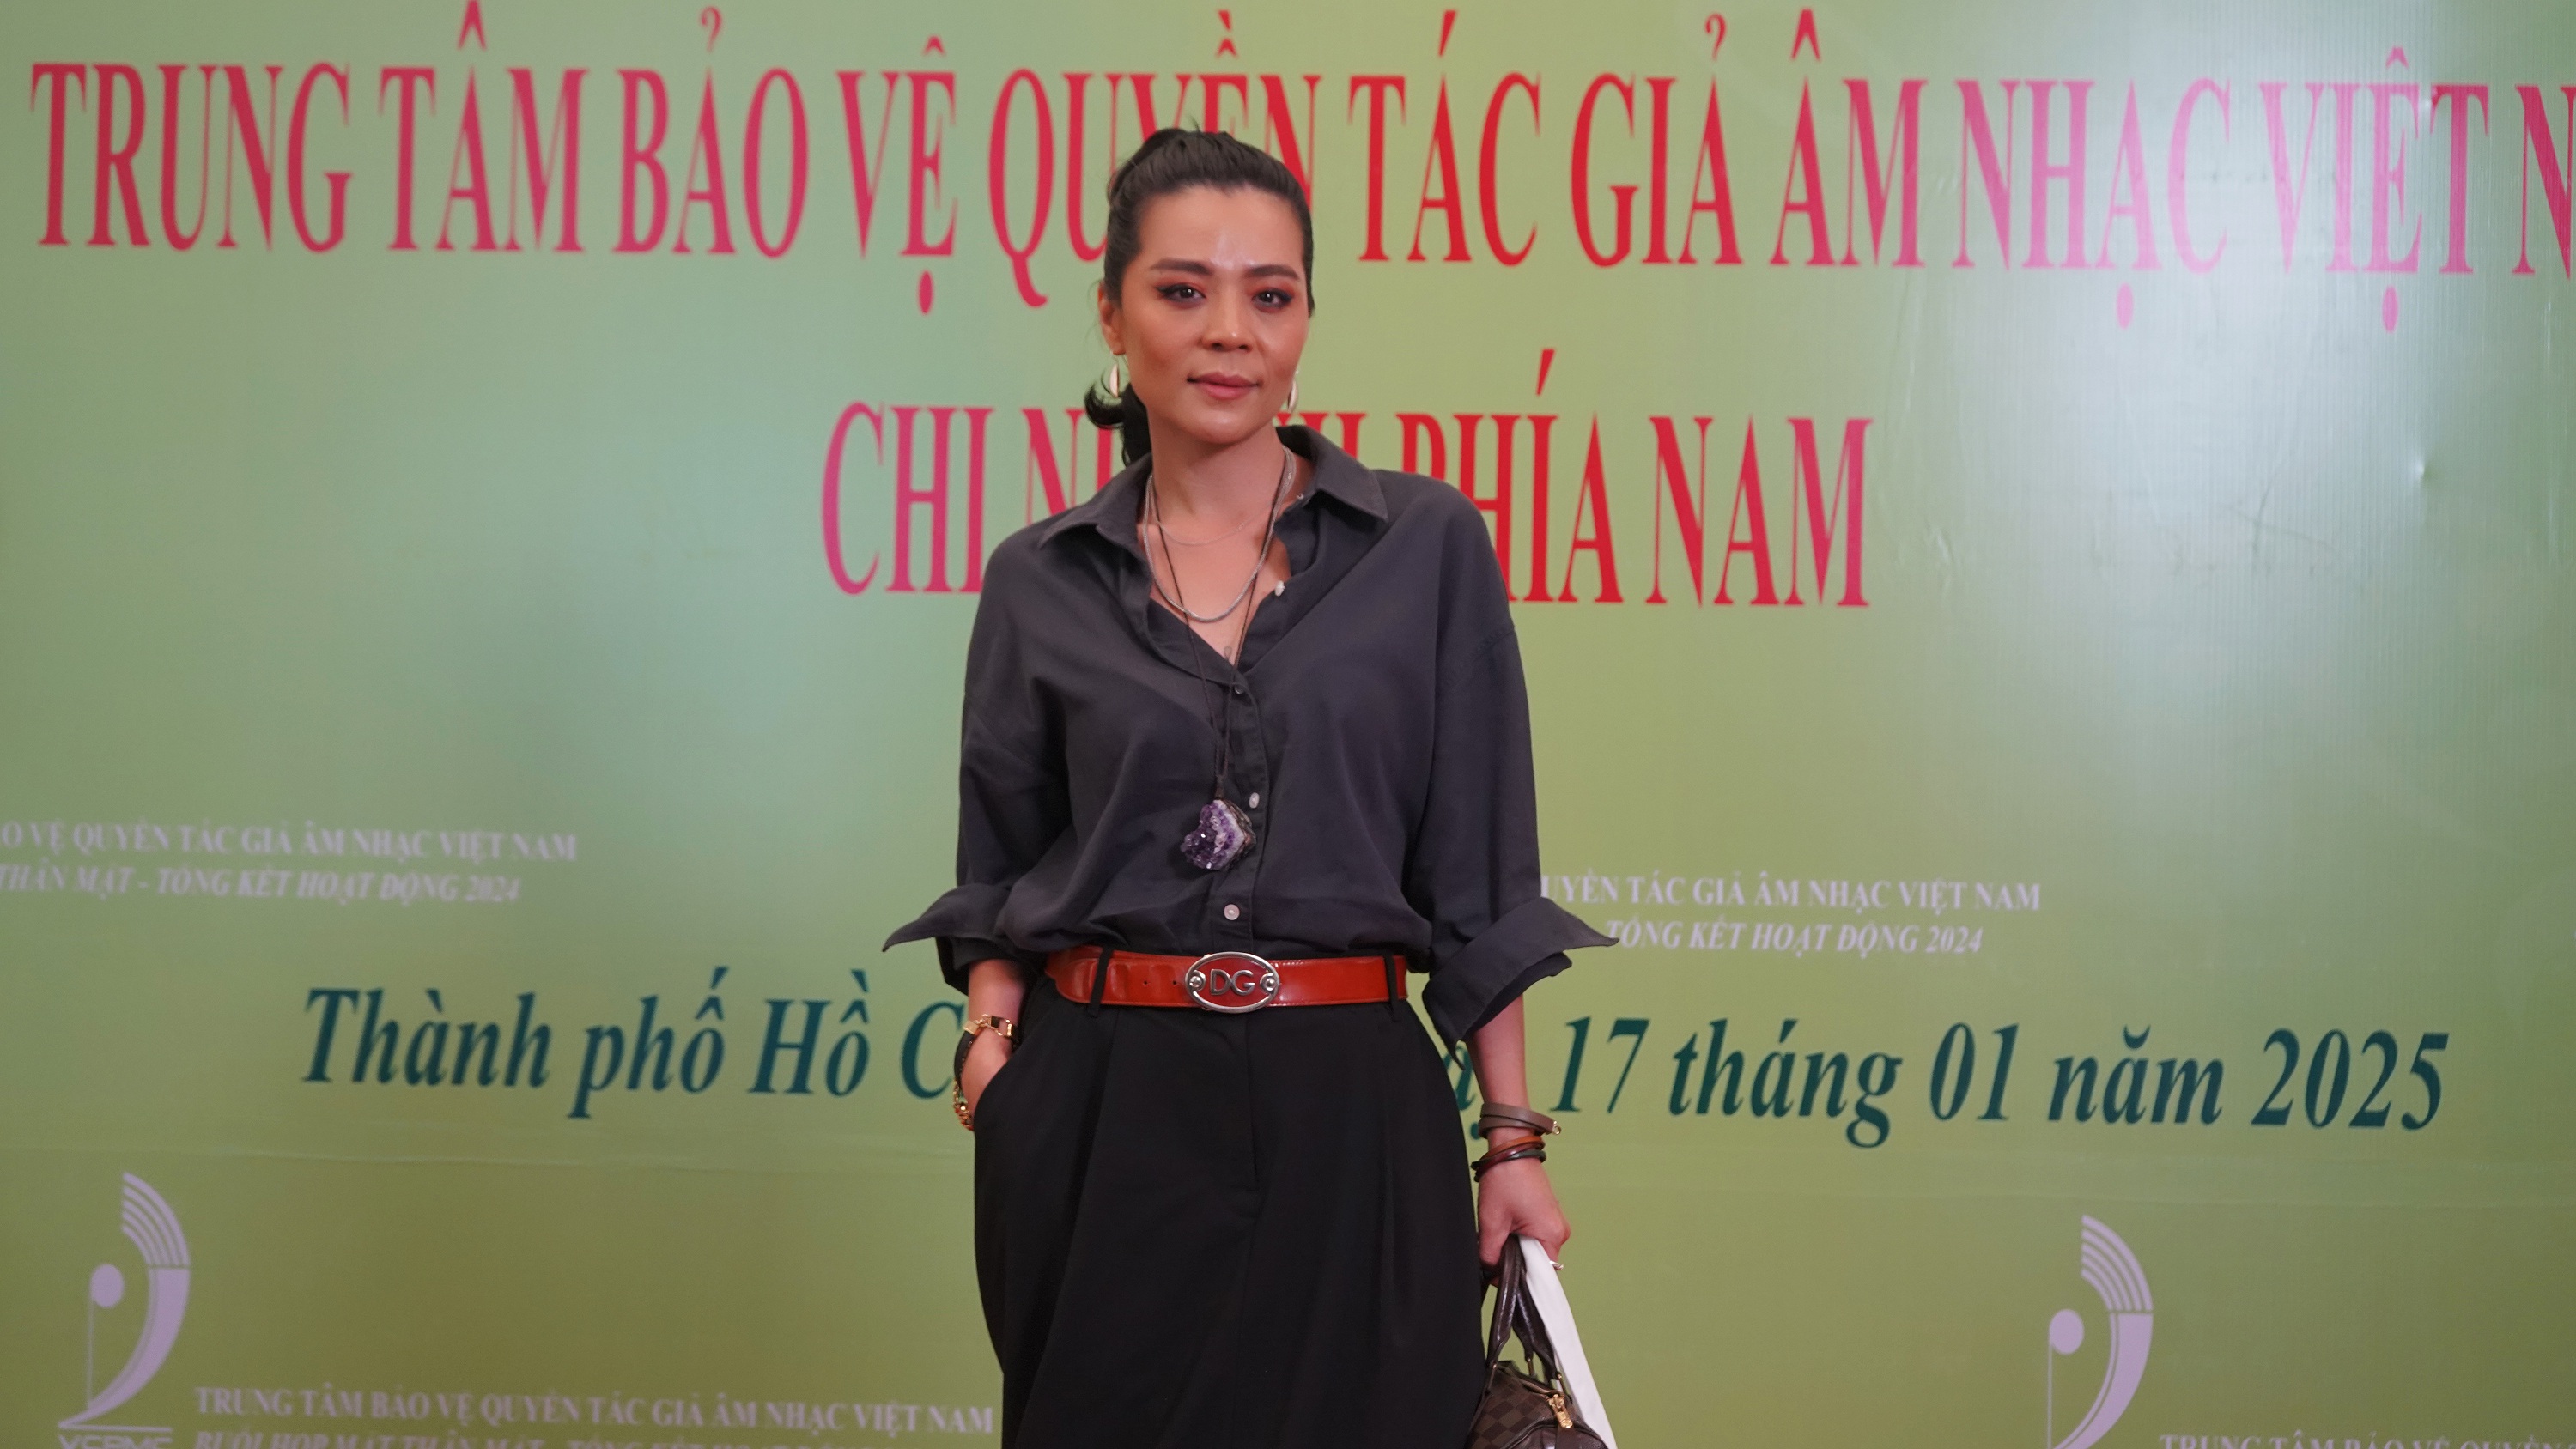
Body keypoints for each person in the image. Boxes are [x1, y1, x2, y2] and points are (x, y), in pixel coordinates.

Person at [885, 127, 1611, 1449]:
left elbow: (1481, 874)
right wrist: (995, 1054)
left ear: (1305, 320)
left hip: (1356, 1111)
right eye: (1183, 289)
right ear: (1113, 316)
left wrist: (1512, 1143)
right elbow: (1000, 862)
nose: (1230, 329)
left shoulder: (1427, 546)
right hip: (1103, 1113)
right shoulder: (1039, 579)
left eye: (1269, 294)